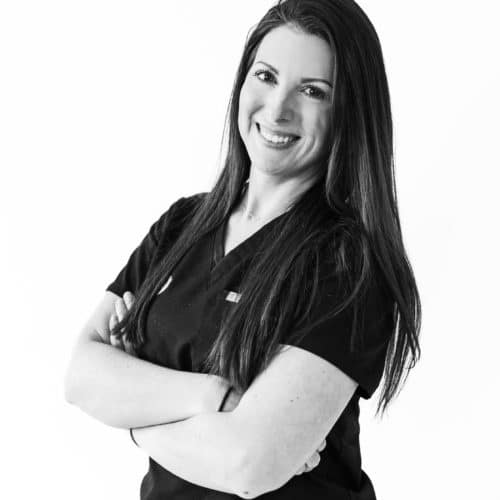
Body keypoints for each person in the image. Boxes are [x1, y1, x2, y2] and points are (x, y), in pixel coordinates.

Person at [64, 0, 421, 498]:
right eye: (267, 76)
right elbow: (81, 376)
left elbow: (246, 465)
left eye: (313, 91)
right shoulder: (182, 225)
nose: (278, 110)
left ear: (349, 113)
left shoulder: (347, 265)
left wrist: (131, 412)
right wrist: (214, 397)